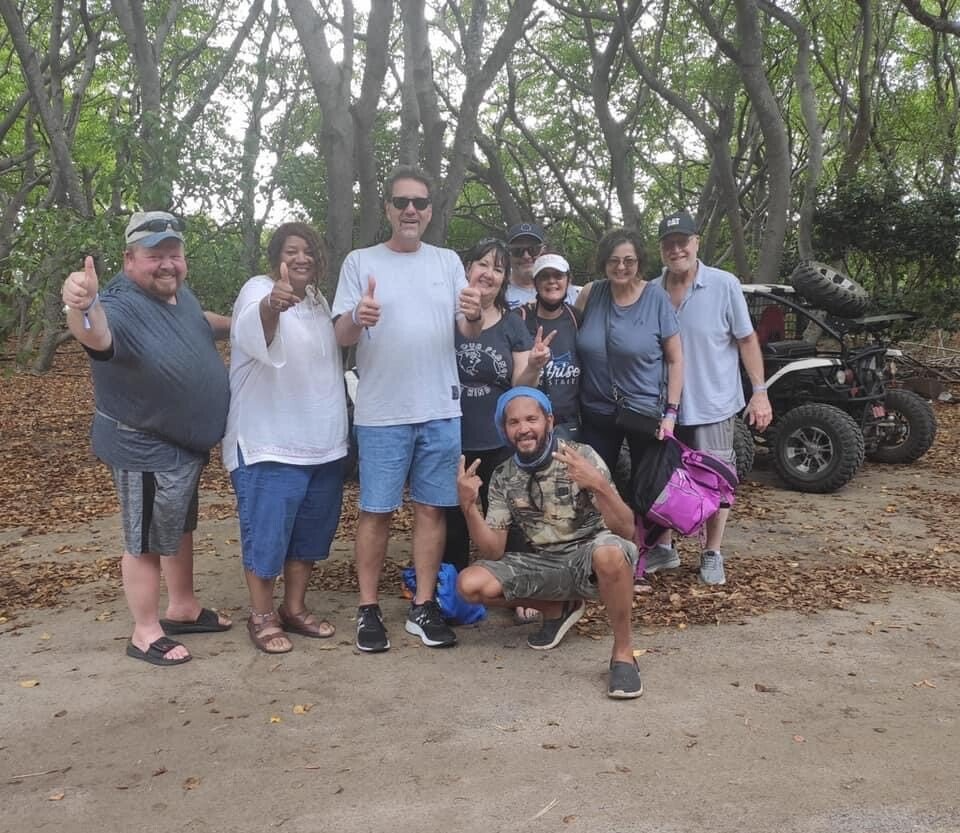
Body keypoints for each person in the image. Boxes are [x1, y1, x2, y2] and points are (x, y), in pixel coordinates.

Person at [61, 211, 232, 666]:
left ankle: (183, 607)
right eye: (155, 255)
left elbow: (200, 322)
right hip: (145, 445)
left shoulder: (177, 296)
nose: (167, 264)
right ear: (129, 259)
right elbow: (96, 334)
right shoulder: (119, 301)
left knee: (177, 529)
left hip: (184, 447)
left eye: (173, 254)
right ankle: (145, 631)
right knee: (145, 539)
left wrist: (236, 324)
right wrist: (80, 303)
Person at [332, 165, 483, 653]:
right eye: (402, 203)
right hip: (381, 411)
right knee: (375, 511)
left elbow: (468, 331)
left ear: (430, 210)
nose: (411, 210)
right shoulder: (360, 261)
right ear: (388, 210)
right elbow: (340, 335)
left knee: (431, 510)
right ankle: (369, 609)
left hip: (440, 408)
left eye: (419, 202)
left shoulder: (447, 262)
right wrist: (359, 316)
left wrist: (476, 314)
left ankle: (423, 606)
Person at [455, 387, 643, 699]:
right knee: (470, 584)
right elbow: (493, 551)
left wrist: (597, 484)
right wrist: (468, 507)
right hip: (543, 562)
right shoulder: (504, 475)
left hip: (591, 554)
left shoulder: (581, 456)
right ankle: (557, 608)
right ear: (504, 429)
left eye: (531, 419)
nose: (523, 428)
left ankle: (623, 654)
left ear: (549, 421)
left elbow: (626, 531)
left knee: (610, 552)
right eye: (513, 422)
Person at [223, 223, 348, 654]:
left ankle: (294, 609)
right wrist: (272, 306)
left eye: (309, 251)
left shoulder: (317, 300)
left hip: (323, 444)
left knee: (309, 537)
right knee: (268, 535)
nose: (302, 258)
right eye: (292, 250)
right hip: (268, 442)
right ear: (277, 254)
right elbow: (251, 331)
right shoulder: (258, 289)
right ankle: (261, 615)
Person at [651, 211, 773, 585]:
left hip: (713, 405)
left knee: (715, 481)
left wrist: (760, 392)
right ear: (661, 249)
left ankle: (712, 552)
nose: (676, 249)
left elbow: (747, 339)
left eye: (682, 241)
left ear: (697, 241)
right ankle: (664, 549)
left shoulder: (724, 284)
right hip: (663, 408)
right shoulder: (652, 291)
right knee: (664, 480)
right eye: (669, 243)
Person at [443, 237, 549, 624]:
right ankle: (453, 591)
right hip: (452, 435)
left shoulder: (512, 325)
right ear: (467, 268)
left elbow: (523, 385)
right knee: (452, 517)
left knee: (507, 517)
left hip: (499, 440)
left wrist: (535, 363)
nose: (489, 273)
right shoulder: (445, 315)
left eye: (498, 268)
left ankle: (516, 588)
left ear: (504, 280)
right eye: (482, 264)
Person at [575, 228, 683, 484]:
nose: (621, 267)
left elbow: (676, 359)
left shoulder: (656, 297)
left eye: (629, 260)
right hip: (596, 411)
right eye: (613, 260)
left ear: (639, 262)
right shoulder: (590, 294)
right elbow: (565, 330)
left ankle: (641, 526)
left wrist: (671, 414)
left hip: (643, 412)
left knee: (647, 489)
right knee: (594, 486)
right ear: (604, 261)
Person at [514, 253, 583, 441]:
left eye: (558, 276)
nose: (552, 281)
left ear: (568, 280)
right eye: (545, 276)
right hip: (529, 421)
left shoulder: (577, 317)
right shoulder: (519, 318)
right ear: (535, 282)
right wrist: (533, 365)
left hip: (570, 421)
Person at [504, 223, 579, 309]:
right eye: (517, 251)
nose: (526, 256)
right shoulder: (497, 291)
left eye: (533, 250)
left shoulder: (564, 289)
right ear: (508, 253)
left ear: (543, 251)